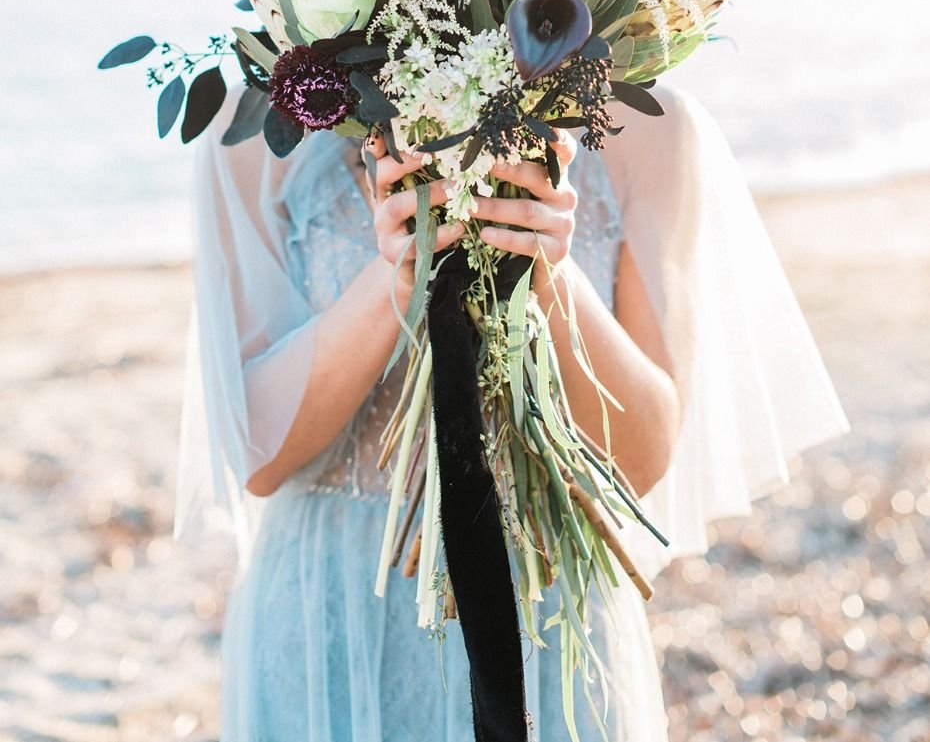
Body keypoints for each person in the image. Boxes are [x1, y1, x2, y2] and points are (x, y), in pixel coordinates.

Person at [176, 81, 848, 741]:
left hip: (547, 615)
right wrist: (396, 278)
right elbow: (258, 455)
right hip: (330, 619)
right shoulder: (260, 121)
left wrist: (546, 269)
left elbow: (642, 457)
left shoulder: (648, 125)